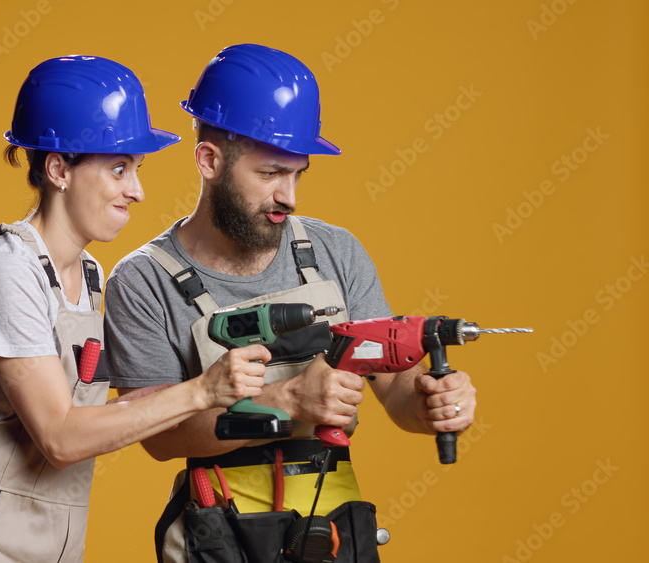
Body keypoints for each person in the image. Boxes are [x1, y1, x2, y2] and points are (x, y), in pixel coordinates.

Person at [103, 44, 478, 563]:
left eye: (298, 173)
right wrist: (288, 401)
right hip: (221, 534)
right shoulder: (143, 280)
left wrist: (430, 403)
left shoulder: (334, 251)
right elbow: (160, 438)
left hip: (334, 530)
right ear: (209, 160)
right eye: (270, 173)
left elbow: (394, 385)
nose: (289, 196)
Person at [0, 55, 271, 563]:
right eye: (119, 168)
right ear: (58, 169)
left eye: (136, 169)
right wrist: (202, 390)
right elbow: (60, 437)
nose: (137, 190)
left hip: (54, 536)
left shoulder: (90, 274)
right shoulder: (6, 270)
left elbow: (101, 414)